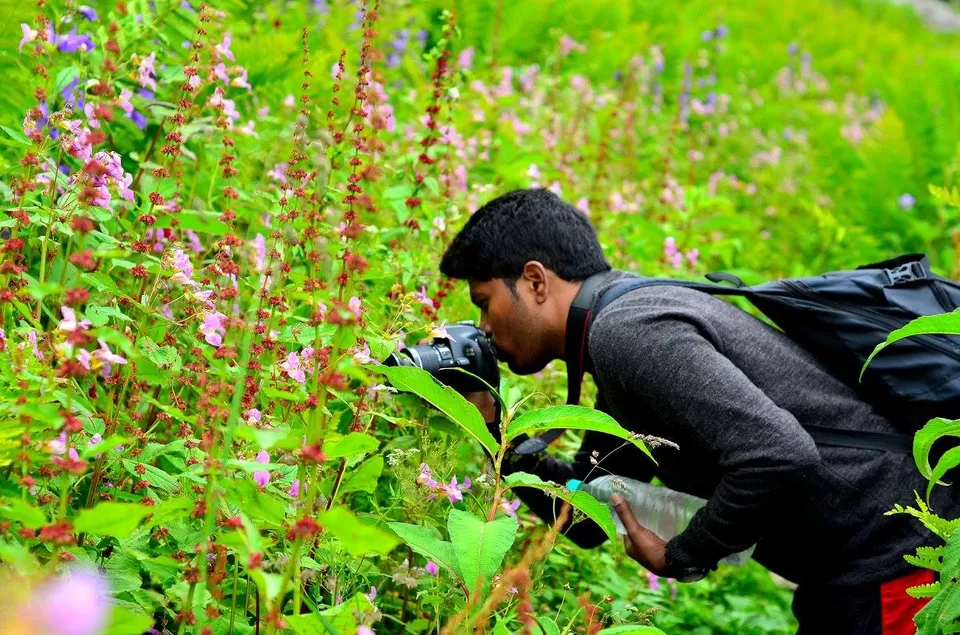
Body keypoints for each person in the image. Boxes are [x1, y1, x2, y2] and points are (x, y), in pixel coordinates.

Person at [437, 187, 954, 634]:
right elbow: (587, 511)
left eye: (484, 302)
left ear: (534, 281)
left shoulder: (626, 333)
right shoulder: (617, 327)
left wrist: (685, 554)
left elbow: (779, 453)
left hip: (894, 557)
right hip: (860, 566)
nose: (482, 326)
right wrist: (490, 427)